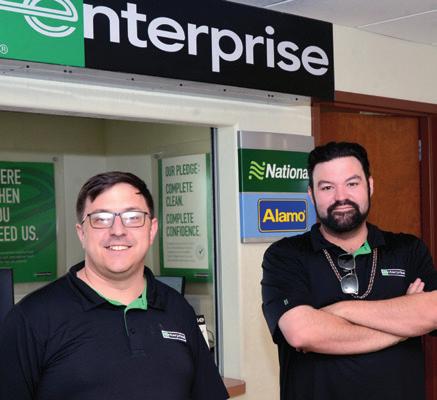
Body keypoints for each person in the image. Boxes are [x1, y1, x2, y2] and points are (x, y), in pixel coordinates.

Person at [0, 171, 228, 400]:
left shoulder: (177, 309)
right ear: (82, 233)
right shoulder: (32, 319)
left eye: (133, 217)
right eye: (101, 219)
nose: (118, 230)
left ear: (151, 230)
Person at [262, 141, 437, 400]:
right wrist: (404, 326)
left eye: (352, 183)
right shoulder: (285, 256)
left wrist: (341, 310)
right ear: (311, 194)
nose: (340, 197)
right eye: (327, 187)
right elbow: (302, 333)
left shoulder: (408, 249)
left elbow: (432, 312)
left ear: (370, 185)